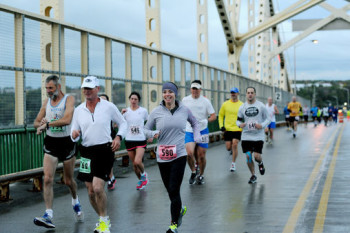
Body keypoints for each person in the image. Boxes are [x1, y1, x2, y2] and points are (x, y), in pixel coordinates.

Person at [71, 76, 127, 233]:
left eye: (90, 88)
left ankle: (103, 222)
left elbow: (123, 123)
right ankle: (104, 219)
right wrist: (74, 134)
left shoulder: (108, 107)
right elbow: (73, 132)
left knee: (97, 187)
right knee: (89, 191)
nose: (87, 91)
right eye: (84, 89)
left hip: (105, 149)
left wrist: (118, 137)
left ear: (97, 88)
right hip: (87, 152)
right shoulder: (78, 110)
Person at [144, 82, 201, 233]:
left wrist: (196, 135)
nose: (167, 94)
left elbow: (195, 123)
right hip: (162, 156)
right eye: (164, 92)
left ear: (175, 94)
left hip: (179, 154)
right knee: (170, 192)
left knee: (173, 188)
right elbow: (145, 129)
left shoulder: (183, 109)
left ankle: (173, 225)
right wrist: (152, 134)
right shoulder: (156, 111)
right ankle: (180, 209)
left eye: (170, 91)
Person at [33, 75, 83, 229]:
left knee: (68, 181)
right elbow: (36, 122)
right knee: (47, 179)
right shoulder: (46, 102)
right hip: (51, 143)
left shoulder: (69, 99)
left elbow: (67, 119)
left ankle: (75, 200)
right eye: (46, 88)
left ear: (58, 87)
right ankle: (48, 214)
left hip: (67, 142)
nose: (48, 91)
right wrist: (40, 124)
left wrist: (47, 123)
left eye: (51, 88)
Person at [182, 80, 216, 185]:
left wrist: (207, 120)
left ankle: (201, 175)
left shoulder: (205, 101)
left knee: (201, 156)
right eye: (193, 89)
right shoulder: (185, 100)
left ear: (200, 90)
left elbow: (213, 115)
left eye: (197, 89)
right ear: (190, 89)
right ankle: (193, 171)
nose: (195, 91)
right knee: (189, 153)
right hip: (189, 130)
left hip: (202, 130)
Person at [237, 87, 270, 184]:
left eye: (252, 92)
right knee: (248, 156)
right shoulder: (242, 107)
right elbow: (238, 120)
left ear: (255, 94)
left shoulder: (261, 106)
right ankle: (253, 175)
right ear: (246, 94)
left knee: (256, 156)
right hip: (246, 135)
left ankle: (260, 163)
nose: (250, 94)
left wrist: (262, 125)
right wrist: (240, 124)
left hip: (258, 135)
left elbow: (268, 119)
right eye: (248, 93)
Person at [121, 91, 150, 190]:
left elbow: (149, 123)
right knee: (134, 165)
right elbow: (118, 124)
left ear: (138, 101)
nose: (133, 101)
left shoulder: (143, 111)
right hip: (129, 140)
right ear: (129, 100)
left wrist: (149, 135)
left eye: (135, 99)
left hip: (140, 139)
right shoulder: (125, 112)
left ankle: (144, 174)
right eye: (132, 99)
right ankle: (142, 181)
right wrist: (121, 114)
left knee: (138, 161)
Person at [218, 87, 243, 172]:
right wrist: (221, 126)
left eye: (235, 93)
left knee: (235, 144)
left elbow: (245, 116)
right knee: (228, 147)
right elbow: (221, 115)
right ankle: (231, 150)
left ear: (238, 94)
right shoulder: (225, 104)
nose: (233, 94)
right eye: (232, 92)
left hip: (237, 128)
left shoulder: (241, 104)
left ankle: (233, 164)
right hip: (227, 129)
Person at [99, 94, 117, 190]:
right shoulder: (93, 111)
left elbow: (120, 121)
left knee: (109, 160)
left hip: (110, 138)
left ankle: (110, 178)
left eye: (104, 100)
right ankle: (111, 177)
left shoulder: (110, 110)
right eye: (100, 99)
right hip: (98, 140)